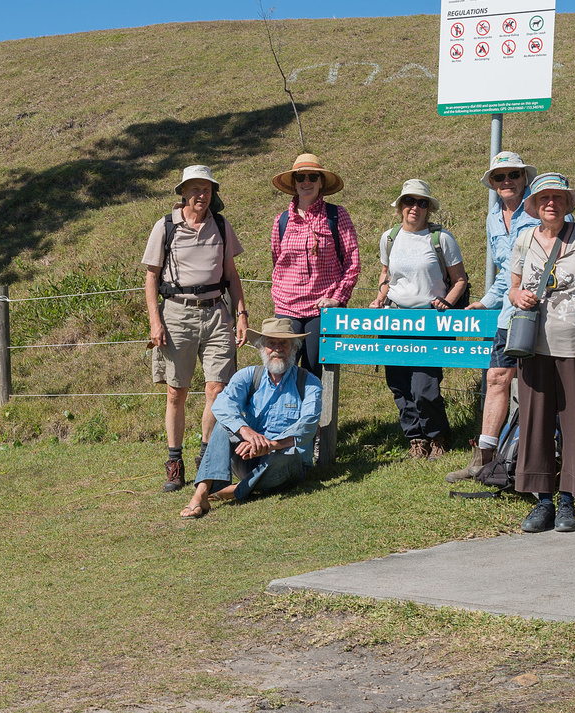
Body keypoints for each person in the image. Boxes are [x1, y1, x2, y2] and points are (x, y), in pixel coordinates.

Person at [508, 173, 575, 533]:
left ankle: (568, 499)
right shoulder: (524, 238)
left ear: (568, 204)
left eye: (557, 197)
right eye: (543, 198)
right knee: (535, 421)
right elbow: (514, 286)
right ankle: (542, 501)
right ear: (534, 205)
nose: (550, 203)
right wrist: (517, 296)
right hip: (534, 345)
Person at [142, 165, 249, 492]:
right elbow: (150, 276)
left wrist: (242, 313)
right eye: (195, 189)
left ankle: (207, 458)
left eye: (206, 189)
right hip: (177, 315)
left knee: (217, 390)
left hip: (217, 314)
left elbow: (231, 274)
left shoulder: (221, 225)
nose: (201, 195)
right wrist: (154, 320)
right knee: (176, 391)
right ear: (183, 193)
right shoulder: (166, 226)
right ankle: (175, 463)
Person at [446, 151, 540, 483]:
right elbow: (505, 272)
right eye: (499, 178)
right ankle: (483, 459)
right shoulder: (492, 218)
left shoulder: (542, 207)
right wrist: (486, 303)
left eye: (512, 175)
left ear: (524, 178)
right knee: (496, 379)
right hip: (508, 315)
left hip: (541, 314)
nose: (506, 182)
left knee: (538, 385)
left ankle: (536, 456)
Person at [179, 318, 323, 519]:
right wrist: (246, 433)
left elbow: (307, 427)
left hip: (283, 461)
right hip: (247, 455)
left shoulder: (309, 382)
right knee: (222, 425)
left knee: (290, 454)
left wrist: (271, 445)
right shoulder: (248, 376)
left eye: (284, 343)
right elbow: (221, 405)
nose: (277, 349)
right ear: (261, 347)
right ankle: (201, 493)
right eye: (271, 343)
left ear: (295, 348)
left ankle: (235, 490)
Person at [371, 179, 468, 459]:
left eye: (422, 203)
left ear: (429, 209)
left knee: (425, 386)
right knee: (399, 384)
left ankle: (438, 436)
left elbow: (459, 279)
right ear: (401, 206)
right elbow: (387, 274)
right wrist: (380, 298)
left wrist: (447, 301)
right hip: (394, 319)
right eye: (409, 202)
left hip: (430, 321)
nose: (415, 207)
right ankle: (415, 438)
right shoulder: (389, 238)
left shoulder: (441, 239)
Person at [269, 153, 361, 378]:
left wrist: (338, 298)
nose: (306, 182)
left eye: (312, 176)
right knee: (280, 371)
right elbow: (277, 262)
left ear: (321, 182)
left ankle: (314, 414)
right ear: (294, 184)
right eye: (300, 178)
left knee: (313, 371)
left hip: (322, 307)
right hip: (286, 307)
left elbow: (352, 261)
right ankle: (284, 413)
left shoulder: (336, 215)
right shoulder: (281, 221)